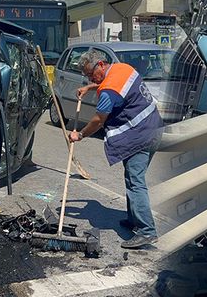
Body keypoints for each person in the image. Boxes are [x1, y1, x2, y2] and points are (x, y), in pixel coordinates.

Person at [69, 49, 163, 249]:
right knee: (132, 178)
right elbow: (113, 85)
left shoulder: (109, 91)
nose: (89, 78)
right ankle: (134, 219)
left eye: (90, 74)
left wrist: (80, 135)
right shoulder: (123, 68)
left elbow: (98, 120)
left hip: (140, 137)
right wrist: (91, 87)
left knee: (135, 182)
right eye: (86, 76)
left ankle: (147, 231)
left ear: (101, 64)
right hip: (154, 129)